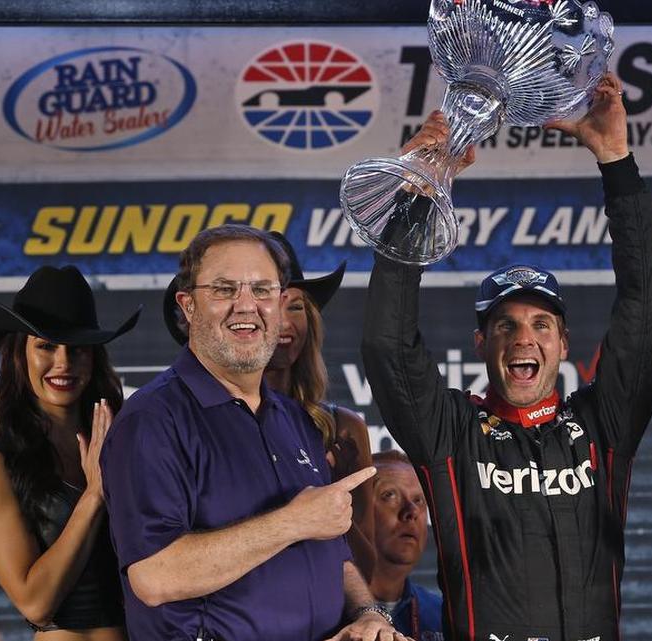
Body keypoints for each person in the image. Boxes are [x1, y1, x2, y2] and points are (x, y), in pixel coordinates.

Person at [361, 73, 652, 640]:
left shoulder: (604, 425)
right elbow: (388, 344)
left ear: (563, 343)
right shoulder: (451, 433)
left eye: (540, 324)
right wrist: (415, 193)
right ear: (482, 345)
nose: (524, 338)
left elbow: (648, 314)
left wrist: (616, 162)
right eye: (505, 325)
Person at [101, 225, 396, 641]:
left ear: (279, 303)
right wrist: (292, 521)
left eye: (261, 290)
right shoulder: (152, 420)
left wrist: (366, 613)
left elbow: (334, 554)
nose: (246, 306)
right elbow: (155, 577)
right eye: (223, 290)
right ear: (188, 306)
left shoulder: (295, 420)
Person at [162, 231, 377, 579]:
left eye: (295, 306)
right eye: (273, 301)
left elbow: (367, 568)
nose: (282, 320)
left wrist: (331, 499)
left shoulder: (343, 429)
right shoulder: (181, 418)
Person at [0, 265, 139, 639]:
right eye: (46, 346)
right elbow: (35, 602)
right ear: (19, 355)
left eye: (77, 349)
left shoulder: (129, 443)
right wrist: (93, 496)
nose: (63, 362)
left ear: (94, 358)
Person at [369, 450, 444, 641]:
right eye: (390, 495)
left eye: (419, 500)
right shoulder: (316, 610)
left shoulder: (442, 613)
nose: (412, 511)